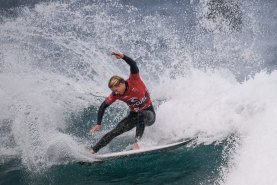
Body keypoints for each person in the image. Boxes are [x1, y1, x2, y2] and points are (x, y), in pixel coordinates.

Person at [89, 51, 156, 154]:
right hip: (134, 115)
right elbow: (103, 106)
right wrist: (98, 123)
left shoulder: (134, 79)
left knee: (141, 115)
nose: (115, 92)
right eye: (113, 91)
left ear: (122, 84)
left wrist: (123, 57)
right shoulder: (116, 94)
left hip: (149, 113)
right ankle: (93, 150)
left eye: (116, 89)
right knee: (114, 132)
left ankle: (137, 143)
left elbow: (133, 64)